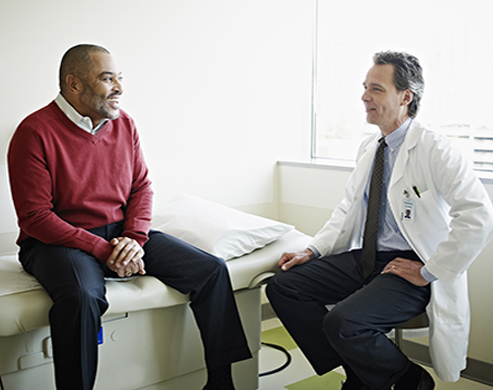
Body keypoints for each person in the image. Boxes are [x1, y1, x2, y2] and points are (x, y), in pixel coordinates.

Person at [7, 44, 251, 390]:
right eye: (108, 79)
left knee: (210, 270)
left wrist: (134, 240)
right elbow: (35, 217)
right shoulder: (34, 131)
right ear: (74, 84)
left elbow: (141, 188)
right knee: (82, 297)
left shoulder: (124, 124)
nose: (119, 88)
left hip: (121, 234)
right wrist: (103, 249)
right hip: (56, 241)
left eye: (119, 78)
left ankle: (221, 382)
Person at [266, 51, 493, 390]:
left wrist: (429, 271)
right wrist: (312, 250)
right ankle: (366, 373)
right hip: (368, 257)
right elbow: (347, 209)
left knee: (343, 322)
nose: (364, 96)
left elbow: (478, 216)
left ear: (405, 97)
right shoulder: (370, 148)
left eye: (376, 88)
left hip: (412, 265)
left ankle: (406, 379)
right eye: (364, 87)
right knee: (283, 286)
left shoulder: (437, 150)